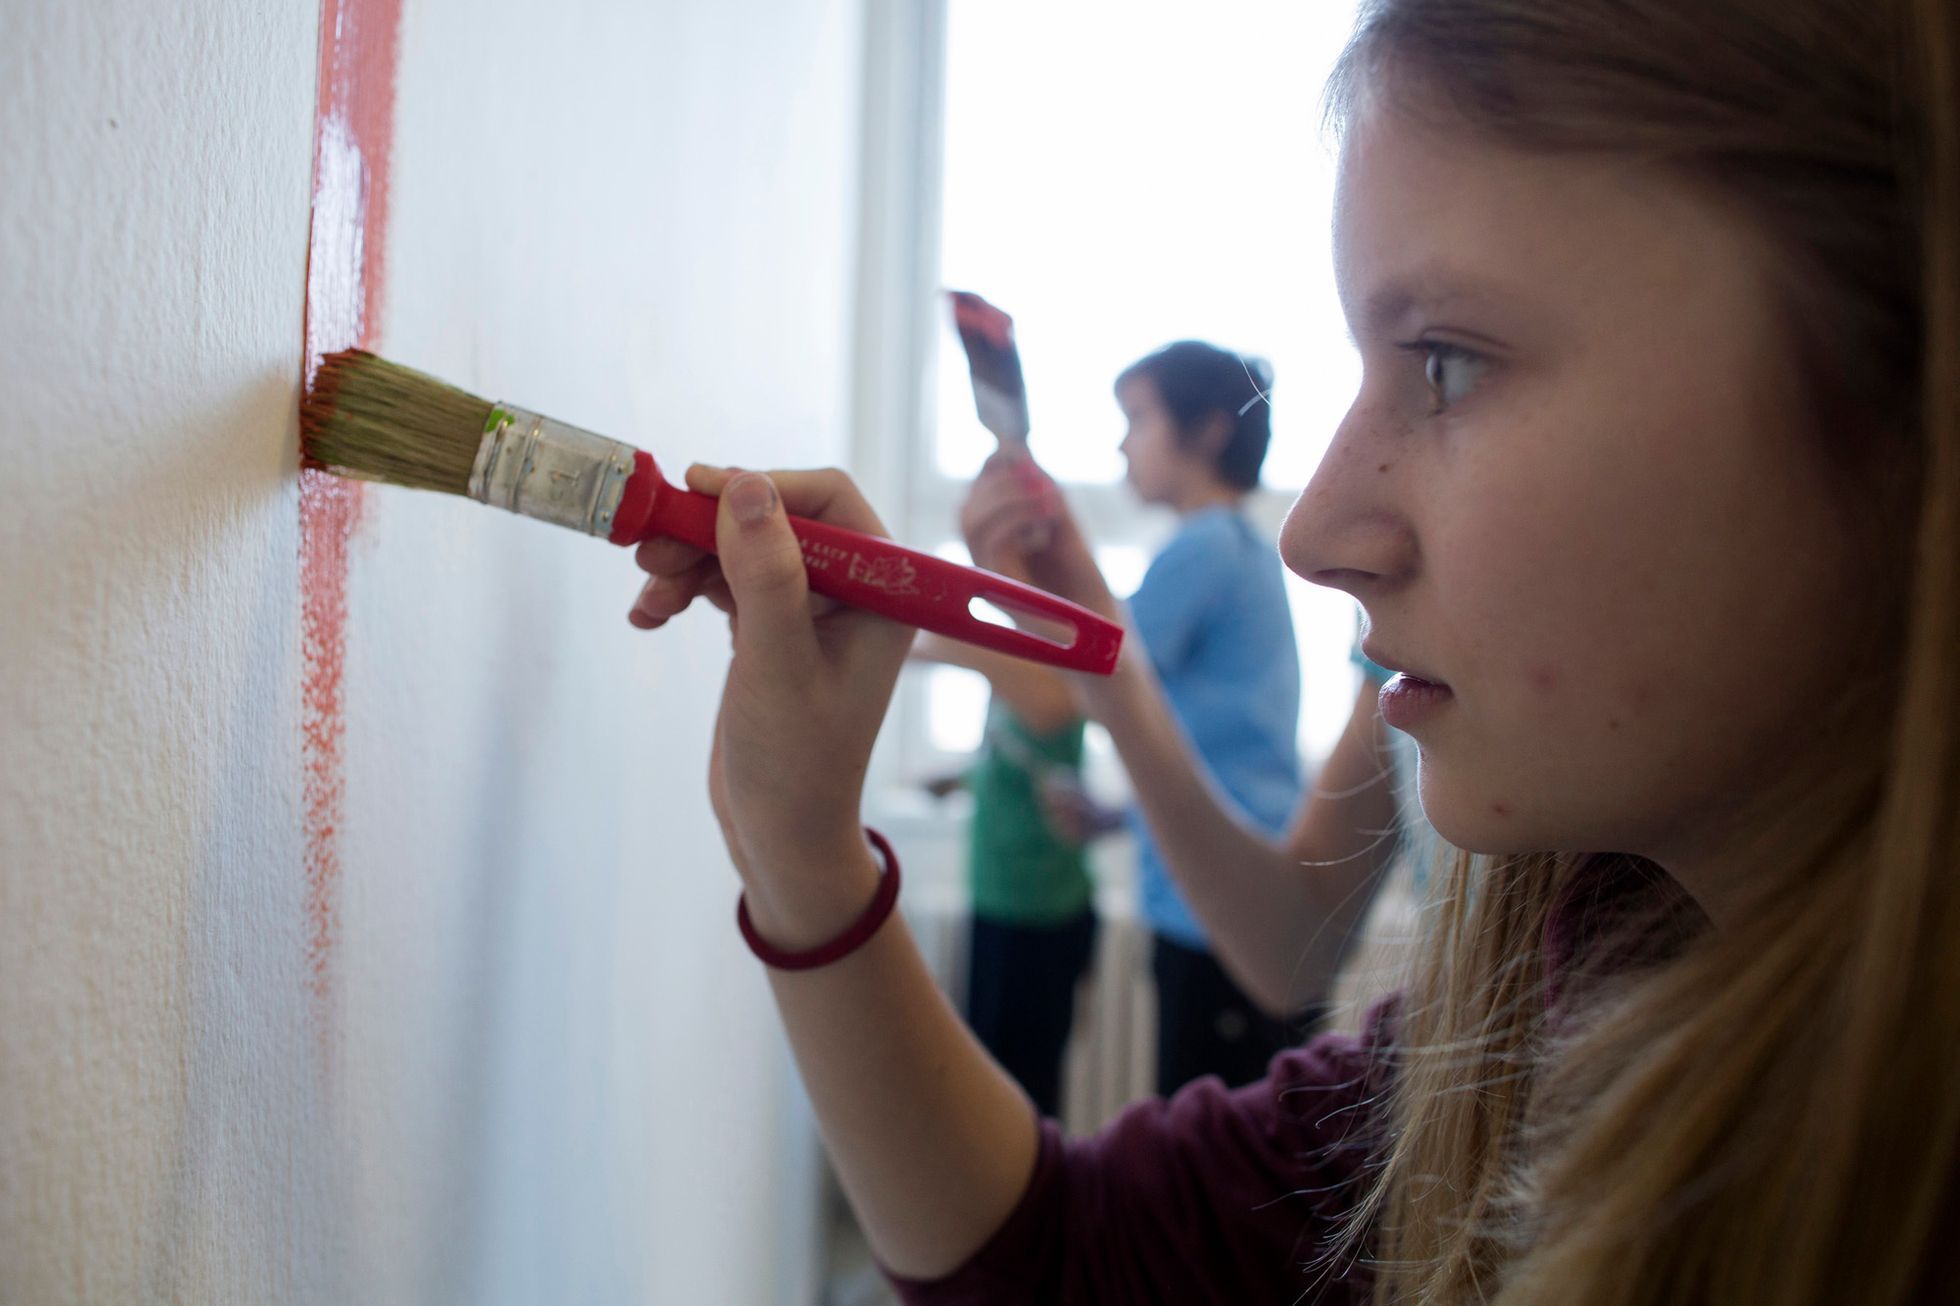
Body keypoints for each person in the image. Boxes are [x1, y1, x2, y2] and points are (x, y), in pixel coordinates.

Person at [624, 0, 1956, 1298]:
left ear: (1906, 404)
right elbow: (1084, 1235)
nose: (1317, 532)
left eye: (1447, 364)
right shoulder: (1558, 971)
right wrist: (802, 851)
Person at [970, 340, 1313, 1095]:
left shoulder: (1204, 552)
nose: (1122, 442)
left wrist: (1001, 579)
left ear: (1209, 431)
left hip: (1212, 918)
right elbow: (1215, 750)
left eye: (1138, 418)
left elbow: (1077, 687)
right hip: (1226, 900)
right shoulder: (1235, 548)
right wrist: (1119, 817)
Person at [911, 629, 1099, 1118]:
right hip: (998, 901)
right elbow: (1019, 759)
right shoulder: (1009, 679)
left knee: (1022, 1091)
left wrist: (909, 625)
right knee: (990, 1073)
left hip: (1039, 914)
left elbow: (1051, 714)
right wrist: (958, 780)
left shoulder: (1052, 677)